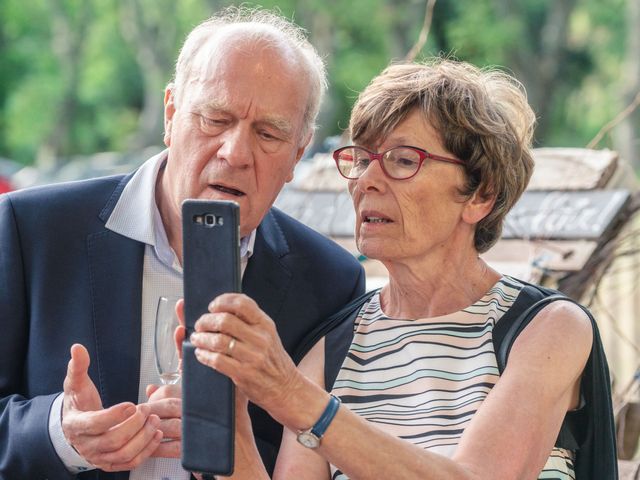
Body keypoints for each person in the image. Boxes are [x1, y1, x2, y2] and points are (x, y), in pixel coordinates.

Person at [187, 59, 617, 479]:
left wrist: (290, 395)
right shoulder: (331, 351)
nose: (367, 180)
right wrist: (230, 421)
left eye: (403, 160)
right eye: (362, 158)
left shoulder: (546, 329)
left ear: (480, 196)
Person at [0, 7, 365, 479]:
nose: (235, 154)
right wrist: (59, 432)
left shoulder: (332, 281)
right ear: (171, 114)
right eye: (216, 119)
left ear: (298, 153)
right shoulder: (32, 230)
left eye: (269, 133)